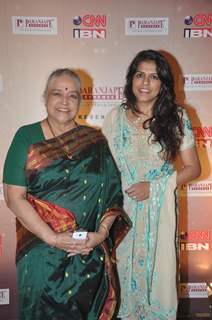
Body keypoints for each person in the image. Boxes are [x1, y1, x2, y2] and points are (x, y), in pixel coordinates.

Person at [3, 68, 131, 320]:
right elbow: (13, 197)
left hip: (86, 252)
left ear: (81, 102)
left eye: (72, 95)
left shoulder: (95, 141)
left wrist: (101, 235)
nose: (64, 101)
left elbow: (112, 195)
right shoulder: (26, 136)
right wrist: (52, 238)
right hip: (41, 253)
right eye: (57, 93)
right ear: (45, 98)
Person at [102, 50, 201, 320]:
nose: (145, 83)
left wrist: (155, 186)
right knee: (121, 291)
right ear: (131, 79)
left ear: (163, 83)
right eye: (139, 75)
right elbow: (104, 171)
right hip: (122, 219)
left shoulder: (177, 117)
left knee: (157, 284)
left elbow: (194, 168)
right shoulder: (114, 118)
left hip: (159, 216)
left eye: (154, 76)